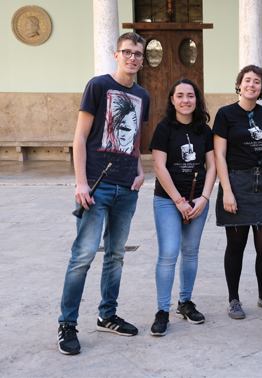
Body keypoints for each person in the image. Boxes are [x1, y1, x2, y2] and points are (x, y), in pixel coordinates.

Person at [57, 32, 150, 355]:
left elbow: (134, 139)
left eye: (138, 53)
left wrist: (139, 170)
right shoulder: (98, 86)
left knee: (116, 255)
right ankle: (67, 324)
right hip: (95, 186)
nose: (132, 58)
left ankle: (106, 315)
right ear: (116, 54)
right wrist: (80, 182)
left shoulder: (143, 94)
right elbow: (80, 137)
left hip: (127, 187)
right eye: (127, 52)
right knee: (83, 256)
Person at [213, 65, 262, 319]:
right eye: (247, 80)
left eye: (257, 82)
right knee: (236, 245)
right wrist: (226, 192)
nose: (252, 85)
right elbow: (219, 155)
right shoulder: (225, 114)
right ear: (239, 85)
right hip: (237, 182)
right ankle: (234, 299)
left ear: (261, 87)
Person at [149, 79, 216, 336]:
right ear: (172, 100)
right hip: (168, 200)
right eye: (180, 95)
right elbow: (158, 167)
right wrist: (178, 201)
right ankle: (162, 311)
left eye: (190, 95)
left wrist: (204, 198)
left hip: (198, 200)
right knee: (168, 253)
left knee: (190, 252)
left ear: (196, 100)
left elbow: (212, 167)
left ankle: (185, 302)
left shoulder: (204, 130)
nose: (185, 100)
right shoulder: (164, 128)